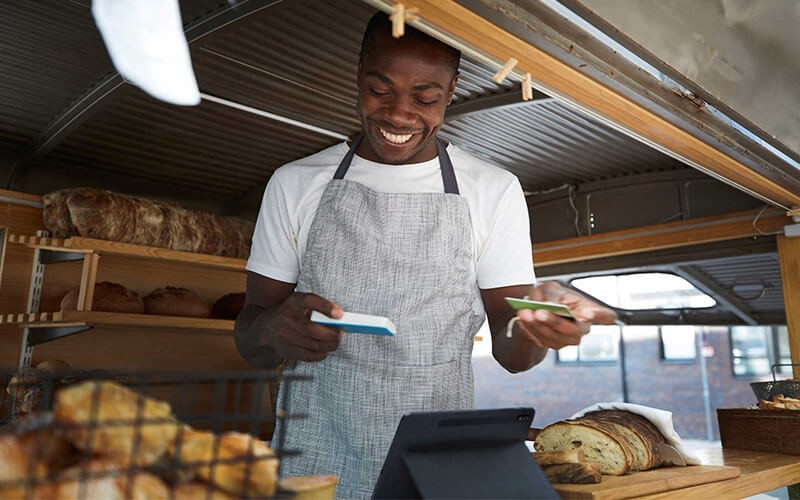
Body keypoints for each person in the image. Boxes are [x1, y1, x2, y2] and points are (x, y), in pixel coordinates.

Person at [234, 11, 617, 498]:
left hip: (435, 462)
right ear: (357, 74)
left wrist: (533, 325)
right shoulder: (295, 184)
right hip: (314, 456)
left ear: (452, 90)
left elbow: (512, 352)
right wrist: (273, 329)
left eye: (425, 98)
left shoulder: (492, 190)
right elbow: (249, 337)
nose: (398, 114)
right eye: (380, 90)